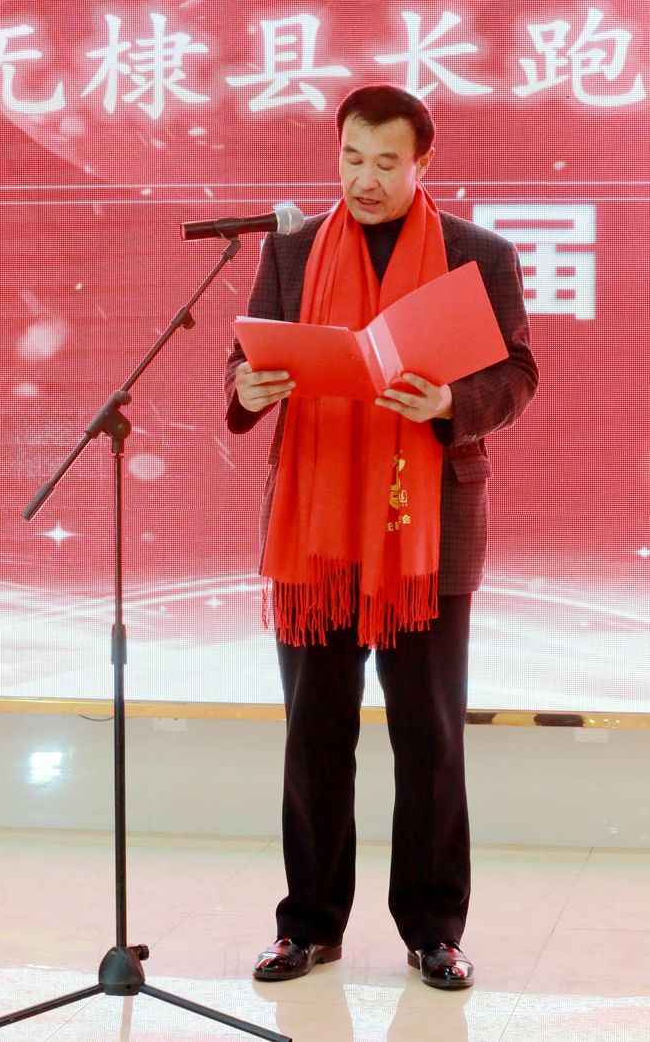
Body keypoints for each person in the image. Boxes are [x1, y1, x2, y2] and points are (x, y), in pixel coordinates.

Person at [224, 84, 538, 990]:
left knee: (429, 736)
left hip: (425, 534)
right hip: (317, 530)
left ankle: (434, 929)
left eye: (386, 163)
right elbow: (248, 361)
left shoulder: (478, 254)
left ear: (424, 163)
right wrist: (245, 388)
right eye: (351, 158)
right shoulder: (291, 248)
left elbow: (518, 374)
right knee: (314, 732)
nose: (363, 179)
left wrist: (449, 402)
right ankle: (307, 925)